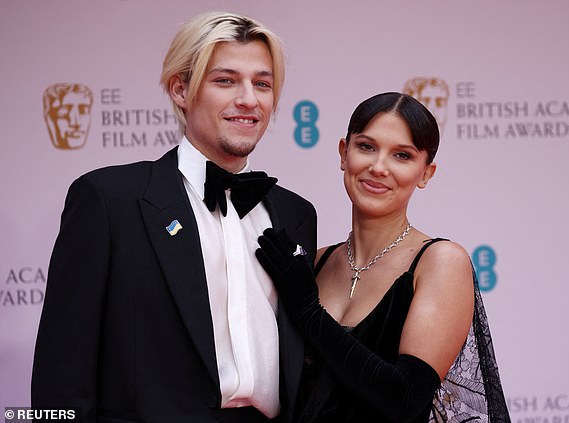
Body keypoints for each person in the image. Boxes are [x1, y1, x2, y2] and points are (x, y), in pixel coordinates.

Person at [32, 11, 317, 423]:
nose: (249, 99)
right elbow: (61, 377)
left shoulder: (296, 214)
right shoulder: (110, 201)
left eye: (262, 83)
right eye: (225, 81)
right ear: (180, 90)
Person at [256, 92, 511, 422]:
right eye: (366, 147)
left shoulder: (440, 263)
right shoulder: (315, 263)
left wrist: (308, 310)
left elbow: (403, 398)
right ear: (343, 153)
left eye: (402, 155)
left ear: (426, 173)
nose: (378, 167)